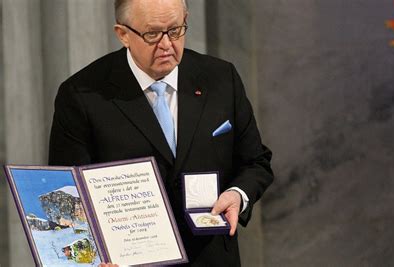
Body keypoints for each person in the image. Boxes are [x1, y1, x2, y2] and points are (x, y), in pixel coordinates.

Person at [49, 0, 273, 265]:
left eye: (176, 30)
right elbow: (68, 192)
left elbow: (256, 162)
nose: (167, 44)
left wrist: (237, 195)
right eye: (152, 34)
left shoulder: (222, 78)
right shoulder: (82, 95)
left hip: (211, 257)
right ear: (123, 34)